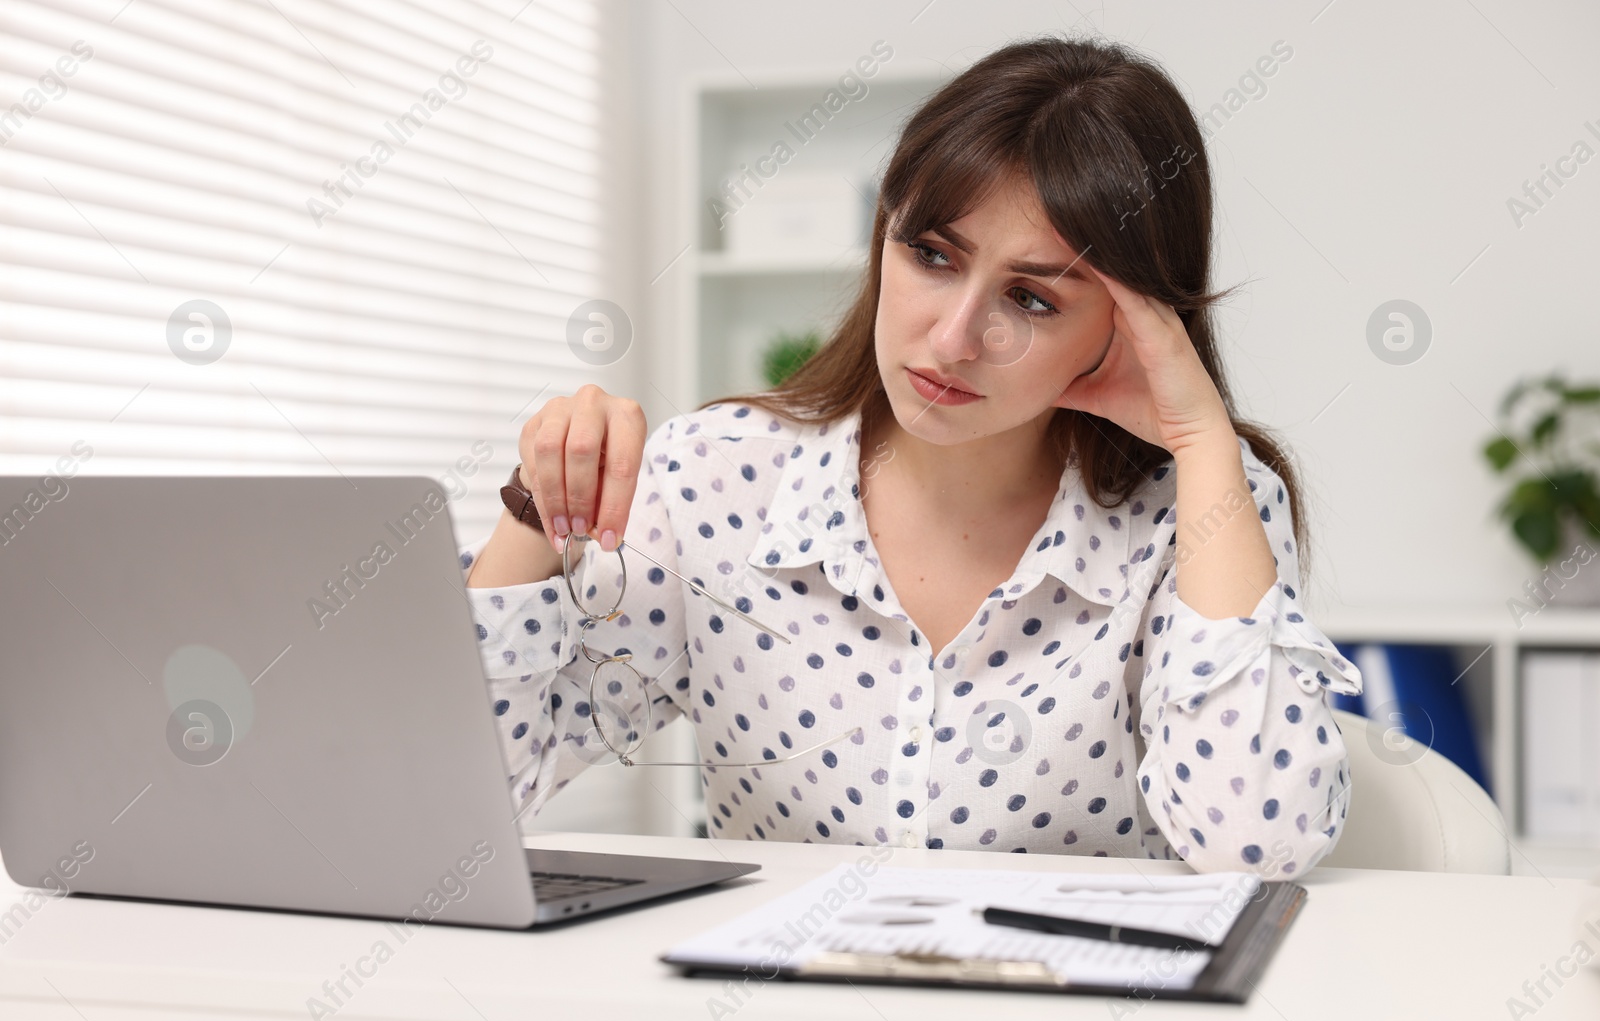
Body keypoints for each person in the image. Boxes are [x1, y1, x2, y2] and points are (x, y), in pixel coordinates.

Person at [463, 33, 1362, 878]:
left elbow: (1254, 843)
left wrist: (1204, 442)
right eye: (932, 254)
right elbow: (471, 795)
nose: (956, 335)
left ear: (1131, 329)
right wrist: (535, 508)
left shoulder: (1195, 513)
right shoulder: (716, 479)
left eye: (1033, 299)